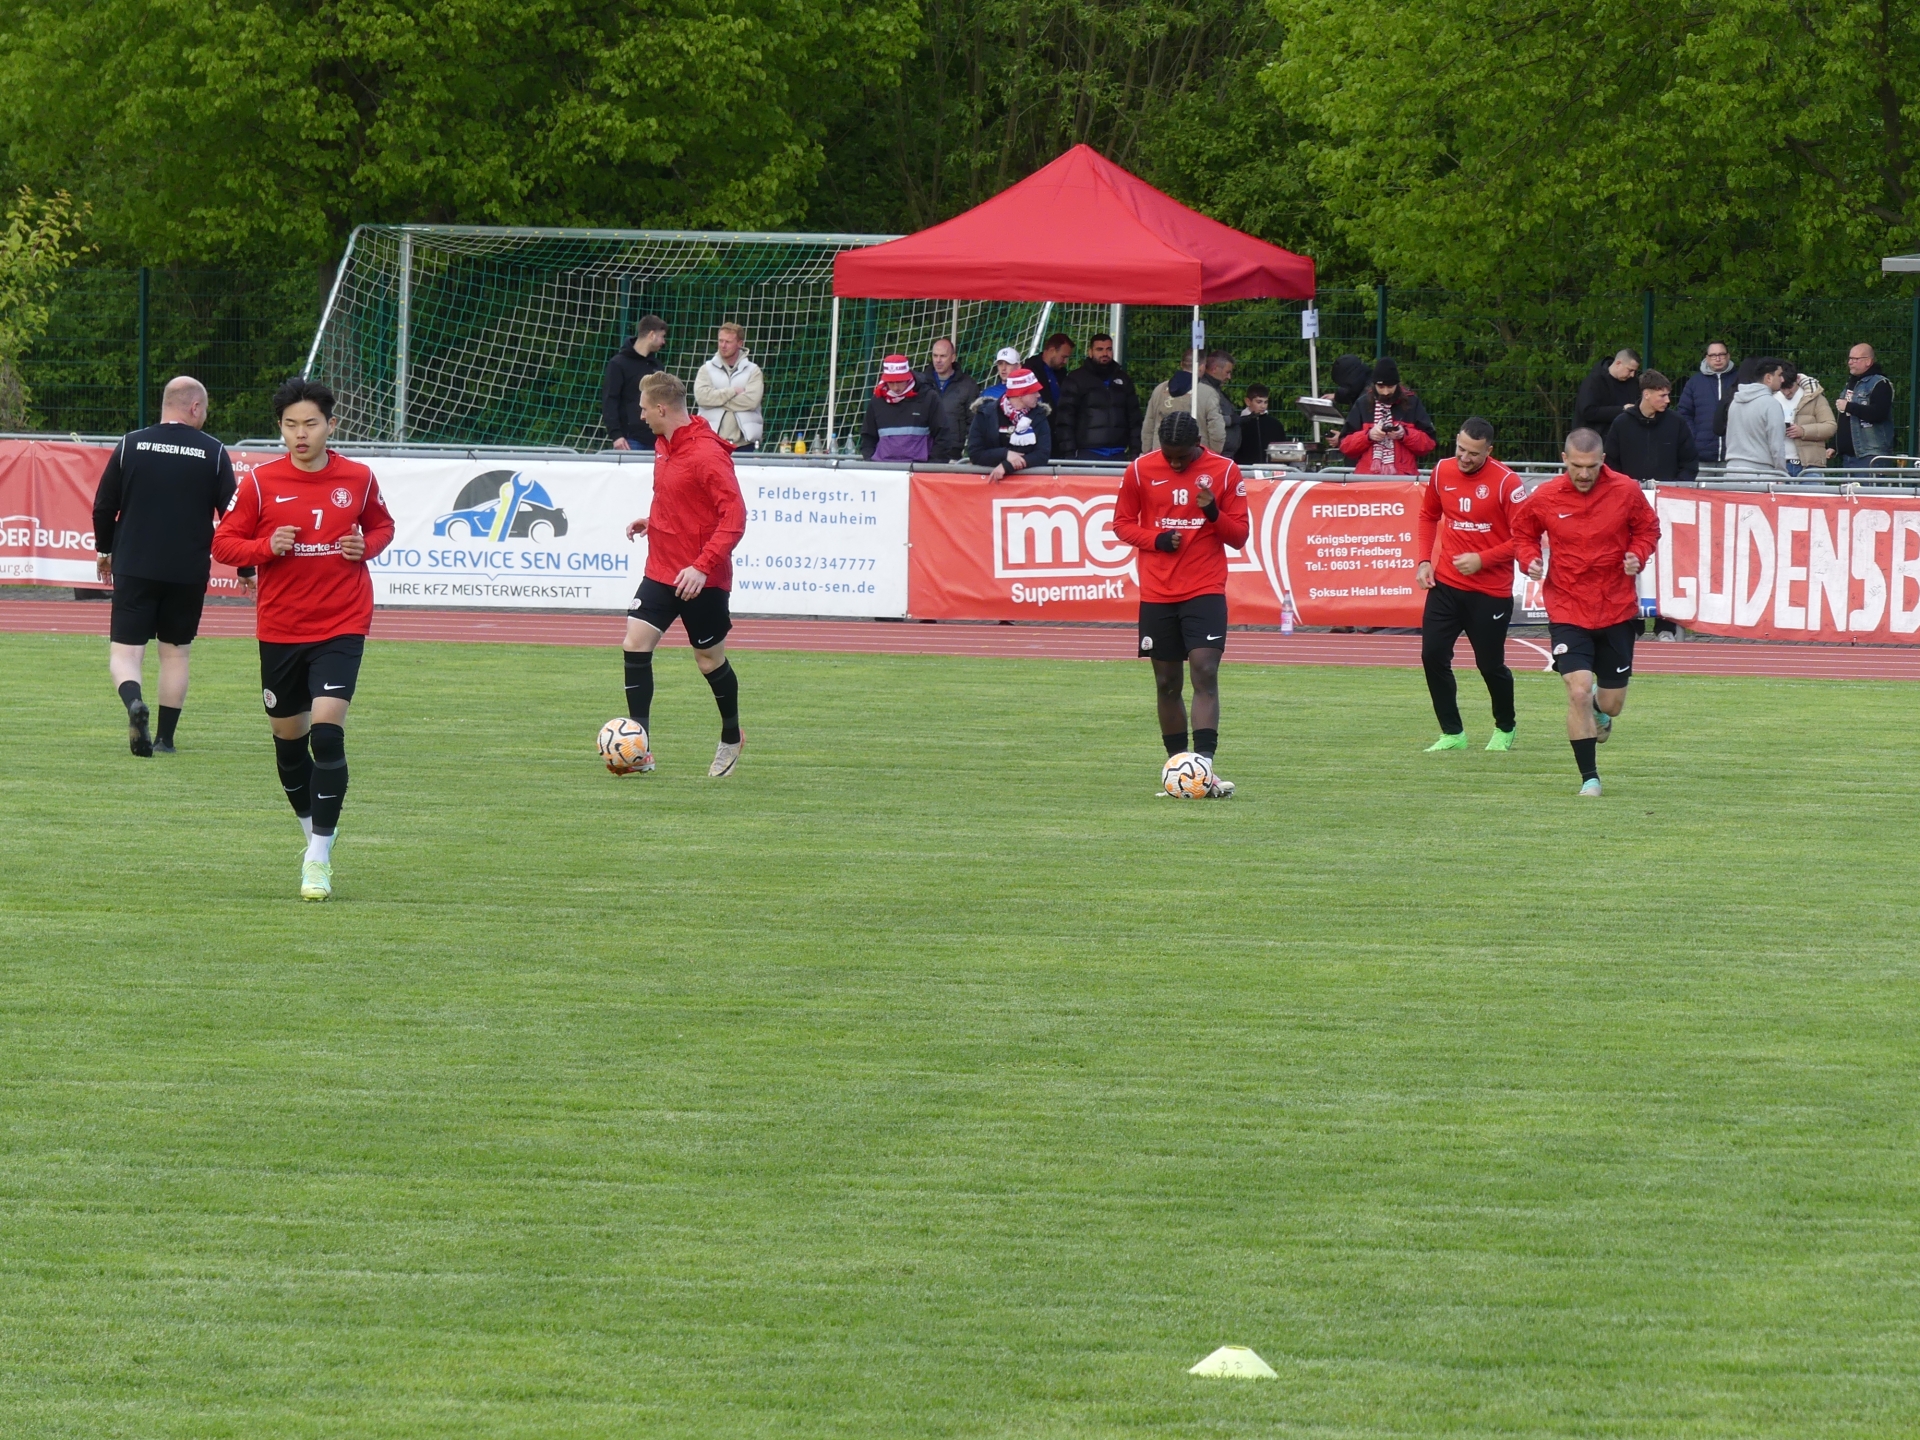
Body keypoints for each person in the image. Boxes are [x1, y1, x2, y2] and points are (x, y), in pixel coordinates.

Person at [210, 378, 395, 900]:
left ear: (330, 425)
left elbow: (382, 527)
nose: (300, 434)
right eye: (291, 425)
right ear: (280, 429)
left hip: (342, 622)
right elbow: (224, 543)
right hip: (281, 629)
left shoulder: (357, 478)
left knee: (327, 735)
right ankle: (314, 835)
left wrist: (366, 545)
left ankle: (318, 858)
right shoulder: (260, 482)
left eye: (311, 423)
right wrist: (266, 546)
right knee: (289, 749)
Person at [91, 376, 245, 757]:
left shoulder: (130, 444)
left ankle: (134, 703)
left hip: (134, 565)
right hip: (187, 571)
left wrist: (105, 550)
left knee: (126, 654)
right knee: (175, 654)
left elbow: (103, 507)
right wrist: (246, 567)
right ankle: (165, 740)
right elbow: (235, 516)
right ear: (195, 407)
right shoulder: (214, 451)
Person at [1511, 429, 1658, 797]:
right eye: (1576, 465)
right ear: (1564, 459)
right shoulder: (1545, 495)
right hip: (1568, 608)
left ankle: (1600, 708)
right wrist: (1530, 559)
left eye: (1591, 466)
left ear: (1602, 460)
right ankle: (1589, 779)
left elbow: (1648, 529)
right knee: (1576, 691)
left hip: (1616, 609)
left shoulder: (1625, 490)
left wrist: (1637, 555)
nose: (1583, 473)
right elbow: (1523, 533)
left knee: (1611, 704)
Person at [1111, 411, 1249, 797]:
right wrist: (1155, 539)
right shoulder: (1139, 470)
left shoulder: (1224, 471)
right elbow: (1121, 523)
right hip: (1157, 592)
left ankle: (1204, 767)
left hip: (1205, 587)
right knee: (1167, 682)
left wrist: (1212, 512)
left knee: (1204, 670)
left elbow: (1239, 536)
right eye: (1168, 456)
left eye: (1182, 457)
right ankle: (1178, 769)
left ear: (1197, 444)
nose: (1174, 463)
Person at [621, 371, 748, 778]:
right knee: (635, 643)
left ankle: (732, 736)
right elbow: (677, 498)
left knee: (709, 661)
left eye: (644, 408)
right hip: (662, 569)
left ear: (661, 408)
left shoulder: (707, 454)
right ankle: (638, 748)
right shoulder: (664, 444)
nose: (641, 416)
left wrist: (702, 566)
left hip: (703, 578)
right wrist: (652, 522)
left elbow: (734, 518)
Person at [1416, 417, 1523, 752]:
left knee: (1490, 666)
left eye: (1473, 453)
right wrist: (1423, 561)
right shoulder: (1442, 471)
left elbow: (1525, 539)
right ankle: (1452, 733)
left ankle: (1505, 726)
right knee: (1432, 655)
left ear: (1489, 451)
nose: (1464, 457)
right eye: (1460, 448)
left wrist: (1483, 559)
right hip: (1446, 585)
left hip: (1490, 592)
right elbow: (1427, 515)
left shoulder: (1507, 482)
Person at [1337, 358, 1437, 474]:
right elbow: (1345, 445)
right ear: (1374, 385)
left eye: (1390, 387)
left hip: (1402, 479)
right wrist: (1368, 436)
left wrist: (1405, 434)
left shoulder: (1412, 403)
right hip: (1367, 479)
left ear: (1397, 385)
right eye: (1381, 387)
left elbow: (1429, 443)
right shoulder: (1362, 403)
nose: (1385, 392)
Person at [1056, 332, 1140, 460]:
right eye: (1099, 349)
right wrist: (1069, 455)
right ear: (1090, 352)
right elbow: (1065, 420)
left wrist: (1135, 452)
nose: (1105, 353)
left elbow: (1135, 418)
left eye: (1109, 349)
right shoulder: (1076, 379)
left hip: (1119, 453)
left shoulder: (1124, 379)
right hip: (1087, 454)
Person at [1604, 370, 1698, 483]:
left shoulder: (1677, 422)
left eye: (1668, 395)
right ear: (1646, 394)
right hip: (1630, 490)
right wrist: (1623, 486)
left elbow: (1689, 461)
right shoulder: (1622, 423)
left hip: (1669, 491)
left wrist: (1677, 486)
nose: (1667, 400)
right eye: (1662, 395)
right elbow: (1610, 463)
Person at [966, 366, 1051, 480]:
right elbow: (975, 453)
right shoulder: (985, 413)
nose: (1038, 395)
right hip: (989, 483)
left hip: (1027, 485)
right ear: (1020, 394)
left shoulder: (1039, 415)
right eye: (1034, 391)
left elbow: (1042, 455)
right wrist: (1005, 454)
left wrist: (1007, 466)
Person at [859, 353, 948, 462]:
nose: (896, 387)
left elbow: (943, 434)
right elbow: (868, 437)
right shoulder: (877, 400)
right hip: (883, 468)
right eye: (891, 382)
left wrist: (931, 465)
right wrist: (871, 461)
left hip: (920, 469)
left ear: (908, 377)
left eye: (899, 381)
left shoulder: (929, 397)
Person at [599, 315, 668, 450]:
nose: (663, 342)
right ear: (652, 335)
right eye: (662, 336)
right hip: (630, 441)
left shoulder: (657, 366)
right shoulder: (618, 364)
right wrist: (616, 435)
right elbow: (610, 401)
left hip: (657, 439)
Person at [693, 322, 764, 451]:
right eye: (720, 341)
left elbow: (751, 402)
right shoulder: (706, 369)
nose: (723, 345)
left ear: (740, 343)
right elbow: (702, 398)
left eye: (728, 342)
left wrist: (716, 400)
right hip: (711, 440)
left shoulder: (753, 371)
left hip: (744, 443)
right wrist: (732, 392)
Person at [1140, 352, 1228, 455]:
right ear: (1202, 367)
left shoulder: (1160, 389)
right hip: (1194, 455)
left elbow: (1148, 425)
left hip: (1161, 453)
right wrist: (1214, 454)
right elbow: (1216, 429)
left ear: (1181, 364)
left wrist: (1147, 452)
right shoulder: (1208, 393)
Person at [1723, 357, 1789, 477]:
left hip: (1731, 470)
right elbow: (1776, 444)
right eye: (1779, 375)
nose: (1782, 379)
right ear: (1768, 378)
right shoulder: (1771, 404)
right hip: (1760, 473)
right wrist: (1781, 472)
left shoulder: (1735, 402)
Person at [1834, 343, 1896, 469]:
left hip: (1870, 455)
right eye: (1849, 359)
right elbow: (1845, 419)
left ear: (1868, 361)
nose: (1850, 362)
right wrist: (1834, 445)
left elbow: (1879, 413)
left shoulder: (1880, 384)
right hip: (1849, 456)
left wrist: (1849, 407)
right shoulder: (1851, 383)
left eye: (1855, 359)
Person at [917, 338, 979, 461]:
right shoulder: (920, 383)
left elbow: (973, 423)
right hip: (924, 451)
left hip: (953, 453)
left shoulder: (968, 385)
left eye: (943, 356)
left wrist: (969, 452)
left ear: (953, 357)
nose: (938, 360)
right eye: (935, 356)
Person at [1676, 341, 1736, 464]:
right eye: (1713, 355)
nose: (1717, 359)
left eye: (1721, 354)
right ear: (1707, 358)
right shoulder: (1694, 382)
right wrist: (1694, 438)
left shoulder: (1739, 380)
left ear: (1728, 356)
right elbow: (1684, 413)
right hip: (1702, 455)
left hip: (1733, 455)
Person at [1779, 364, 1837, 475]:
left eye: (1789, 387)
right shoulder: (1771, 397)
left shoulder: (1814, 396)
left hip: (1810, 465)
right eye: (1782, 388)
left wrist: (1803, 431)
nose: (1786, 392)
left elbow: (1830, 426)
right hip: (1780, 465)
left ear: (1797, 379)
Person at [1575, 349, 1642, 434]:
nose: (1632, 375)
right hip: (1595, 437)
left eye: (1635, 371)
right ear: (1618, 363)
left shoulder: (1633, 383)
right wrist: (1622, 410)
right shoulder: (1594, 381)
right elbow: (1588, 412)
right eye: (1630, 370)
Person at [1200, 351, 1241, 460]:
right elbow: (1206, 418)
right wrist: (1231, 420)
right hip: (1214, 454)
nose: (1229, 377)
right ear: (1215, 369)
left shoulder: (1214, 389)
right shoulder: (1206, 390)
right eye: (1227, 372)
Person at [1234, 384, 1288, 465]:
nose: (1263, 406)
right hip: (1245, 468)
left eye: (1266, 402)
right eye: (1259, 402)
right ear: (1248, 401)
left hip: (1272, 468)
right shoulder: (1239, 424)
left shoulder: (1275, 424)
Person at [1022, 332, 1074, 414]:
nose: (1065, 361)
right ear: (1052, 351)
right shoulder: (1029, 371)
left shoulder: (1062, 373)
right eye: (1063, 357)